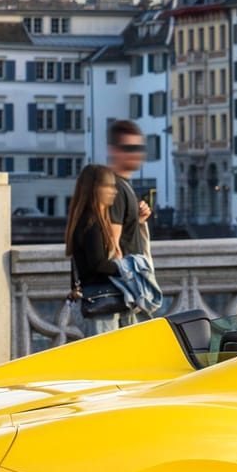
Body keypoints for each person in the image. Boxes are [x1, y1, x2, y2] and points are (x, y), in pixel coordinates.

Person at [105, 121, 164, 319]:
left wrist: (138, 220)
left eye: (139, 148)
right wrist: (130, 285)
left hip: (128, 292)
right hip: (126, 293)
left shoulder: (124, 186)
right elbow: (113, 245)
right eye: (129, 148)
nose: (136, 153)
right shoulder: (116, 188)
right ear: (114, 150)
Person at [66, 164, 130, 337]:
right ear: (94, 189)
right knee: (109, 358)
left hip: (92, 300)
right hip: (100, 305)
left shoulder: (84, 220)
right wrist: (126, 269)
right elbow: (97, 264)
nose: (114, 192)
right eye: (108, 186)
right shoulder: (92, 223)